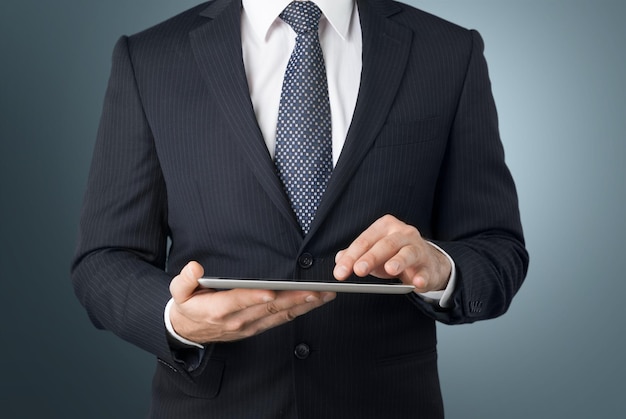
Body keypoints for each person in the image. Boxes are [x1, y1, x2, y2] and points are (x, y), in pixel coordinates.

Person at [72, 0, 529, 417]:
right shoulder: (149, 58)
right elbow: (104, 260)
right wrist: (174, 320)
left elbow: (498, 248)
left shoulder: (448, 51)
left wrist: (441, 267)